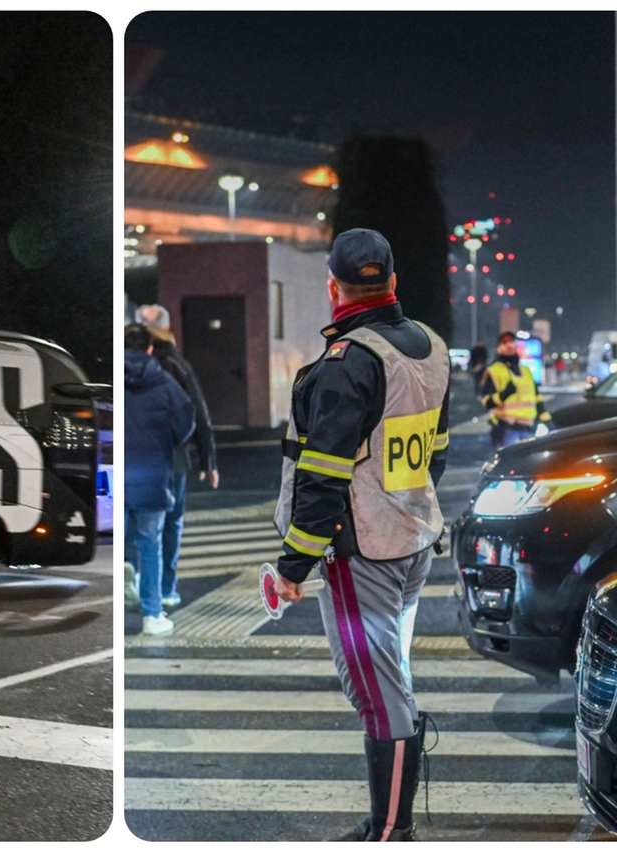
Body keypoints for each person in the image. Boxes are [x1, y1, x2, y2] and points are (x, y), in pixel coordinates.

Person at [270, 229, 451, 841]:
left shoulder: (347, 364)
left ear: (333, 288)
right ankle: (389, 821)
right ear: (393, 283)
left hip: (362, 552)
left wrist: (294, 564)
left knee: (377, 693)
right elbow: (437, 455)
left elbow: (321, 479)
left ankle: (391, 832)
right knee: (390, 679)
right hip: (412, 541)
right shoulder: (430, 347)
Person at [136, 303, 218, 611]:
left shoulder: (128, 363)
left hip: (135, 455)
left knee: (139, 522)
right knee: (170, 523)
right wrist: (207, 459)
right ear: (167, 329)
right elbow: (195, 412)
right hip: (171, 458)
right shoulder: (175, 364)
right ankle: (165, 589)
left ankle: (137, 578)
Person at [124, 323, 195, 636]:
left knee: (123, 540)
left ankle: (126, 570)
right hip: (153, 474)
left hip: (119, 473)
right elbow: (187, 419)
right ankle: (153, 615)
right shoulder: (164, 380)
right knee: (151, 544)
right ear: (150, 348)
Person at [480, 331, 551, 449]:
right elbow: (487, 402)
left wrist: (546, 420)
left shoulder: (526, 370)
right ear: (498, 348)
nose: (509, 345)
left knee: (529, 465)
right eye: (505, 342)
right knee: (509, 465)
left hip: (529, 428)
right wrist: (504, 394)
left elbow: (537, 398)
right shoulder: (493, 371)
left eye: (511, 341)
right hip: (507, 428)